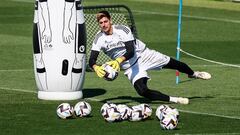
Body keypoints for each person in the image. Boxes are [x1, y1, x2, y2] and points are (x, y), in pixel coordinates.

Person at [88, 10, 211, 104]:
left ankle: (193, 74)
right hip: (131, 67)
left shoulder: (122, 30)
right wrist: (95, 67)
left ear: (110, 20)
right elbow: (92, 59)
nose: (104, 25)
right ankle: (175, 99)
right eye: (101, 23)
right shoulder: (99, 39)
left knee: (175, 64)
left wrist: (118, 60)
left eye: (105, 21)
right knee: (143, 91)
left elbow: (131, 51)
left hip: (144, 55)